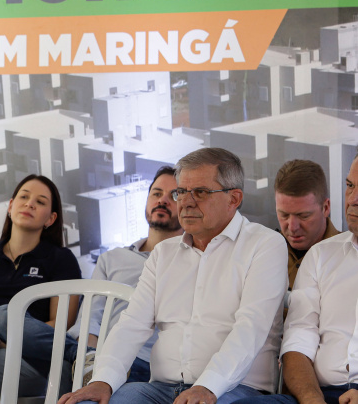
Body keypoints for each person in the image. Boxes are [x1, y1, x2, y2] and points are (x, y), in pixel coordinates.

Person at [59, 148, 288, 404]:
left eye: (200, 192)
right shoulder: (163, 253)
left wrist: (207, 387)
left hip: (235, 389)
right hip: (160, 388)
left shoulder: (265, 245)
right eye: (182, 192)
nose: (186, 202)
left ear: (233, 199)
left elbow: (250, 329)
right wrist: (102, 381)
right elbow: (132, 325)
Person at [0, 166, 183, 398]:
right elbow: (91, 316)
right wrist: (89, 357)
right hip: (92, 356)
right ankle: (82, 357)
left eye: (174, 195)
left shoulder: (190, 262)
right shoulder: (112, 258)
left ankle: (82, 359)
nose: (162, 200)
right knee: (4, 314)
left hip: (139, 363)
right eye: (156, 193)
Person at [231, 152, 358, 404]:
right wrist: (312, 399)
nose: (353, 199)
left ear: (325, 208)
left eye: (303, 216)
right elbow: (299, 338)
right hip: (316, 393)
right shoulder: (320, 255)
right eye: (350, 185)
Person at [0, 174, 82, 404]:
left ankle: (84, 356)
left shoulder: (61, 259)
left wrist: (5, 337)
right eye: (24, 197)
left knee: (2, 316)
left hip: (33, 359)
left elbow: (62, 324)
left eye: (40, 202)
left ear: (51, 218)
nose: (30, 204)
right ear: (11, 206)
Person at [273, 159, 338, 290]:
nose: (292, 227)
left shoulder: (351, 257)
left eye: (303, 216)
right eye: (284, 215)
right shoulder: (262, 251)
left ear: (325, 208)